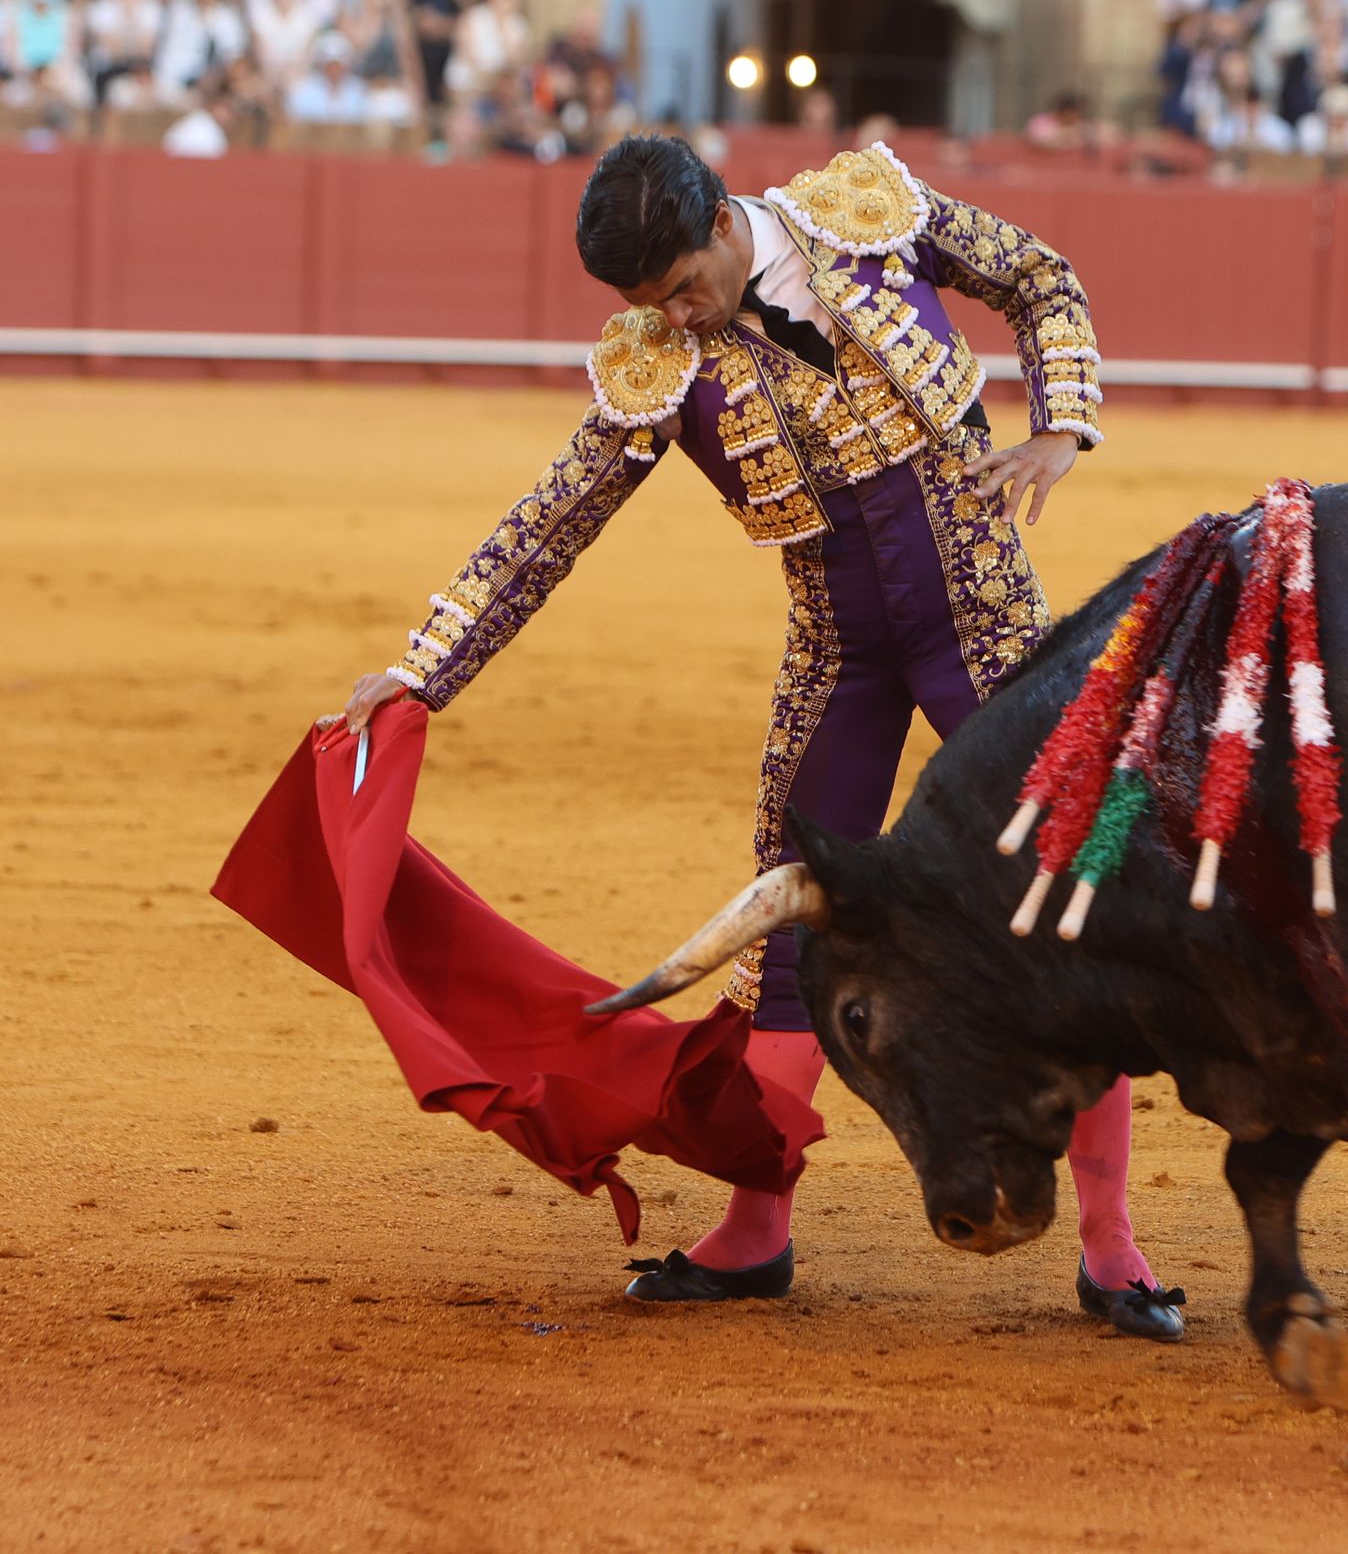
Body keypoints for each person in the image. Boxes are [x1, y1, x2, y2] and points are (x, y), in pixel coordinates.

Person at [327, 135, 1183, 1340]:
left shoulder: (870, 214)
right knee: (783, 934)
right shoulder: (656, 364)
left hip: (986, 634)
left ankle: (1112, 1245)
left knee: (1075, 894)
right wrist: (422, 670)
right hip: (838, 658)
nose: (676, 317)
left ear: (727, 223)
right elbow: (549, 523)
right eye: (650, 305)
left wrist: (1062, 426)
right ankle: (755, 1232)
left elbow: (1040, 277)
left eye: (683, 286)